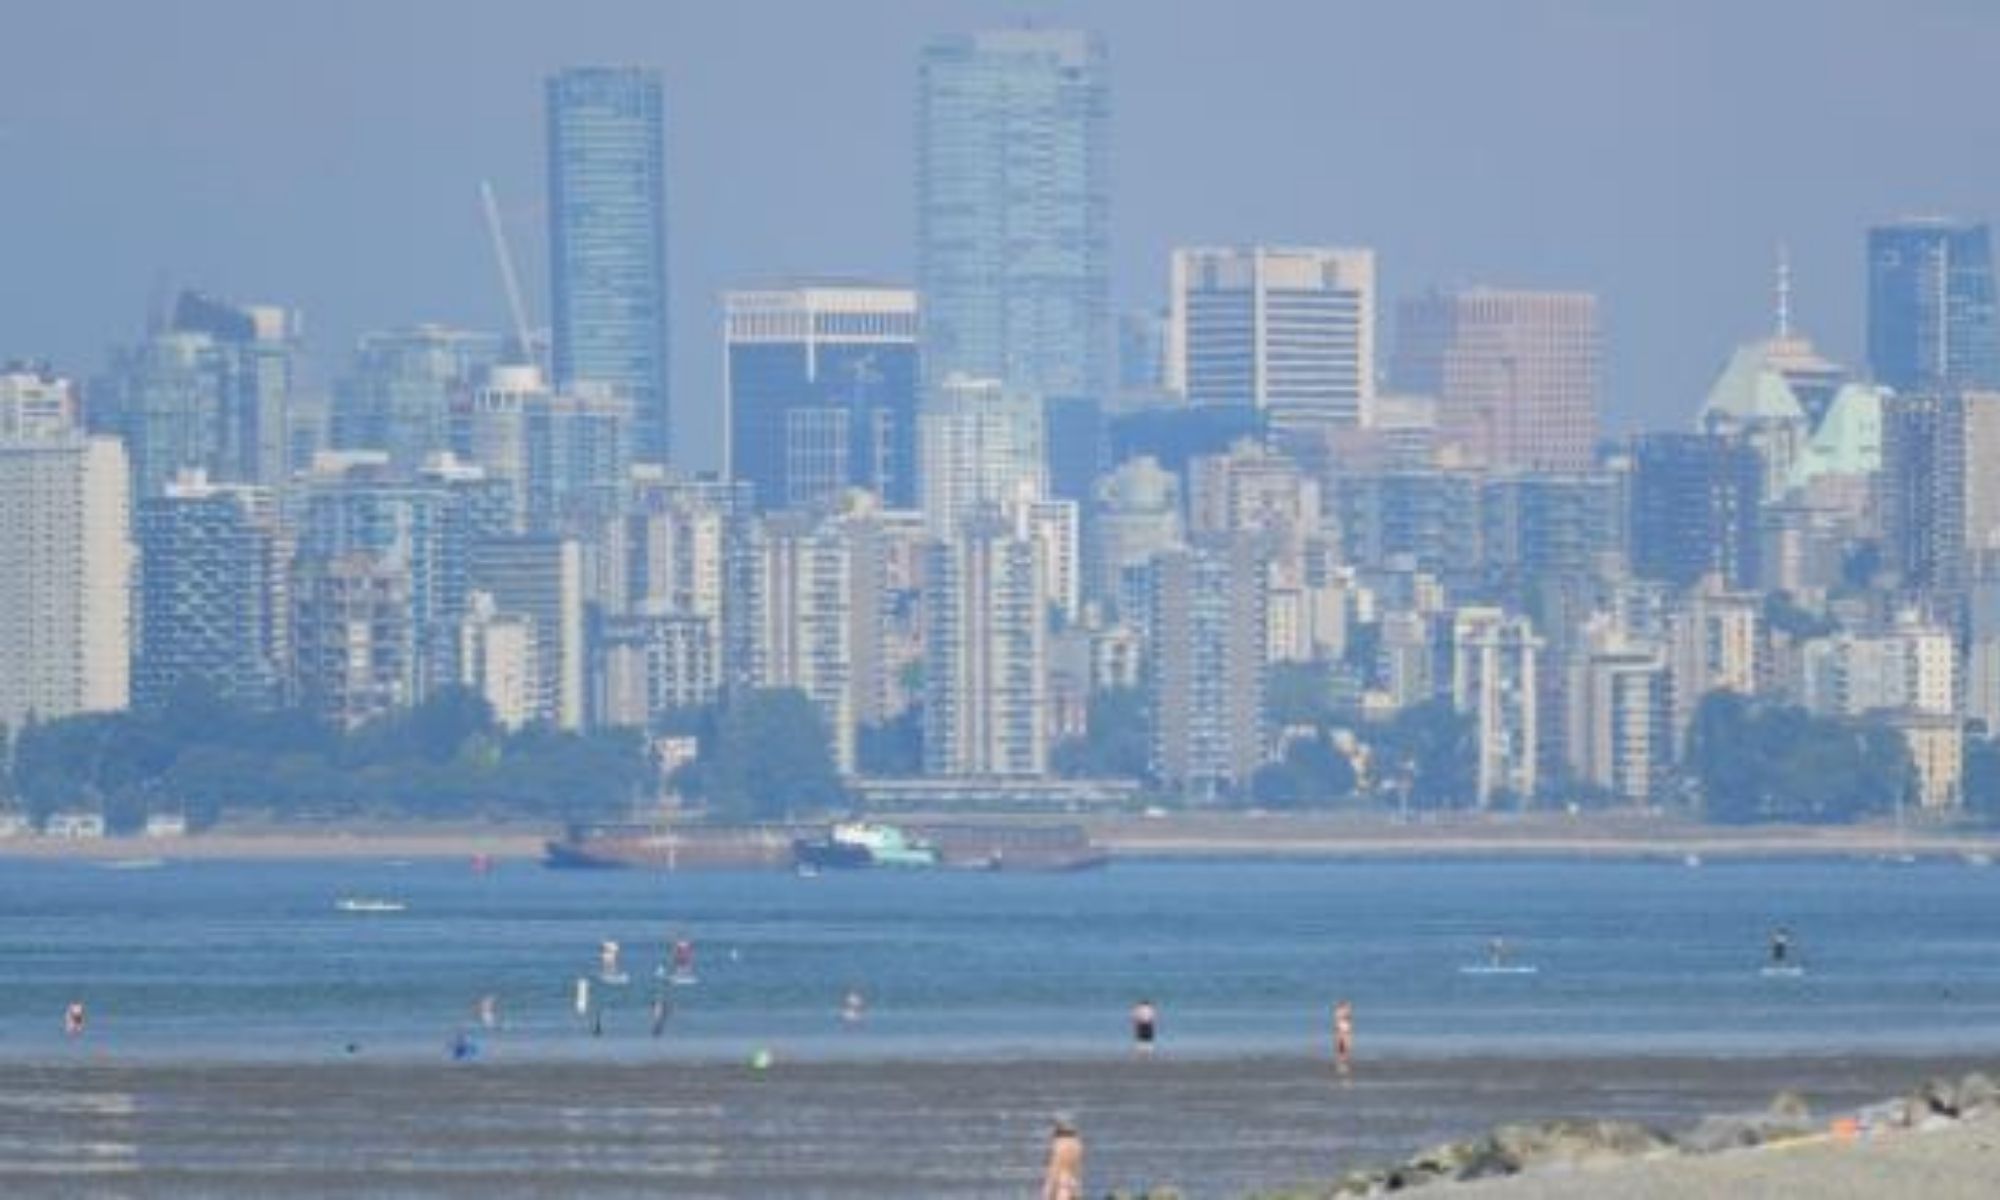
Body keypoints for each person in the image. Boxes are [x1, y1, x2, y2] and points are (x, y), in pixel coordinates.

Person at [1041, 1114, 1084, 1200]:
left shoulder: (1059, 1146)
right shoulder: (1075, 1145)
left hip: (1061, 1188)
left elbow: (1053, 1174)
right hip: (1070, 1186)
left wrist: (1047, 1193)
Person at [1333, 999, 1354, 1074]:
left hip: (1345, 1031)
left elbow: (1349, 1021)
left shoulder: (1344, 1012)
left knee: (1345, 1048)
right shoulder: (1339, 1012)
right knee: (1341, 1049)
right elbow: (1337, 1022)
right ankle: (1341, 1065)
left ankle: (1343, 1065)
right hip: (1341, 1031)